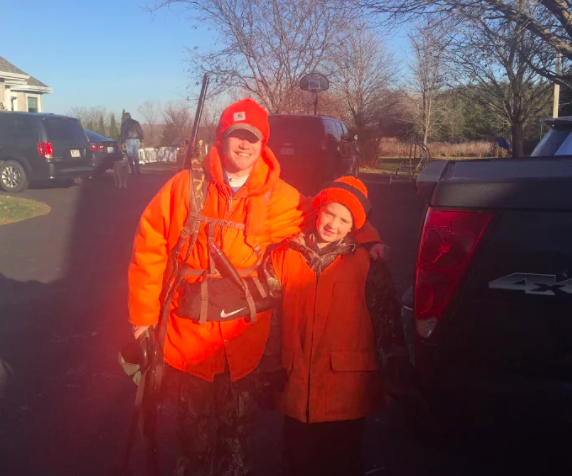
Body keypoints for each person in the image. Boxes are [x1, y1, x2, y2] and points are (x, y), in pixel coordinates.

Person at [128, 98, 388, 476]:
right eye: (237, 135)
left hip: (244, 345)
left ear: (263, 144)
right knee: (192, 441)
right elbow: (148, 247)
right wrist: (142, 319)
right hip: (188, 341)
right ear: (221, 138)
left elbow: (333, 211)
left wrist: (368, 236)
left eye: (253, 137)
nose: (245, 145)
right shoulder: (185, 187)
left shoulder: (278, 195)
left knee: (238, 444)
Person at [258, 177, 408, 476]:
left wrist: (396, 359)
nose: (333, 224)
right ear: (318, 210)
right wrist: (270, 364)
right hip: (296, 383)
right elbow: (269, 316)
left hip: (347, 387)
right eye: (329, 213)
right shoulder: (283, 255)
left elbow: (386, 315)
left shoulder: (367, 260)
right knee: (296, 459)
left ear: (355, 226)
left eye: (344, 219)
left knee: (342, 459)